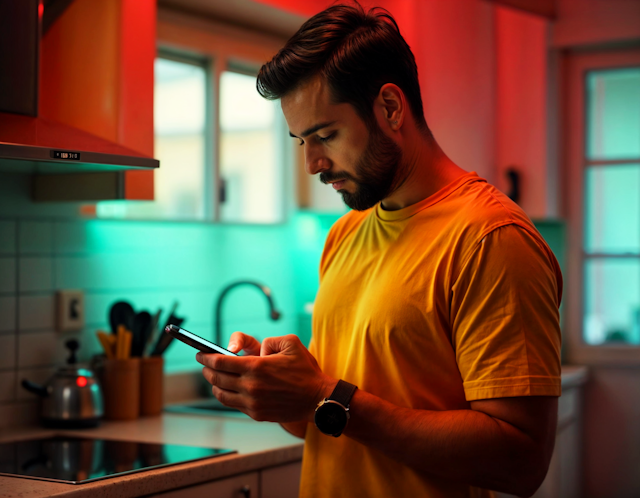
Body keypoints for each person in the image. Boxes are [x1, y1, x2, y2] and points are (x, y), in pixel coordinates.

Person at [196, 3, 562, 497]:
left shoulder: (491, 239)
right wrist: (283, 392)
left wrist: (326, 396)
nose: (312, 164)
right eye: (301, 141)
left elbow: (521, 461)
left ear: (390, 109)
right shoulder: (344, 234)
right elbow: (329, 419)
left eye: (325, 135)